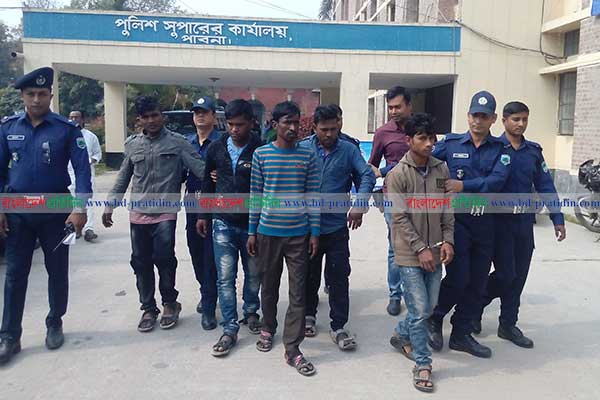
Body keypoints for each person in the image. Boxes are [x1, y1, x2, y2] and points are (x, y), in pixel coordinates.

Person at [0, 67, 92, 365]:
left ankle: (55, 322)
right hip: (18, 212)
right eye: (31, 94)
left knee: (57, 270)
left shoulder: (66, 129)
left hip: (56, 211)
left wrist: (80, 209)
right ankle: (9, 335)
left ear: (51, 95)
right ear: (23, 96)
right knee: (15, 274)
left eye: (42, 94)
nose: (36, 99)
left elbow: (82, 171)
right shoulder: (8, 127)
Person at [102, 96, 205, 333]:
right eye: (146, 117)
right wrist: (110, 204)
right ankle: (148, 308)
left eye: (155, 115)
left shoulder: (178, 142)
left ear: (162, 116)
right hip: (138, 212)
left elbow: (200, 169)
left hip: (166, 212)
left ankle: (170, 303)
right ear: (139, 120)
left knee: (164, 257)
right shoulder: (132, 144)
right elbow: (124, 176)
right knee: (140, 261)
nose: (151, 120)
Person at [475, 101, 566, 348]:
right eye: (516, 119)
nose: (521, 124)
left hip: (524, 223)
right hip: (498, 223)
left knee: (519, 277)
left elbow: (545, 184)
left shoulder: (532, 152)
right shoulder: (492, 148)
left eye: (524, 119)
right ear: (504, 120)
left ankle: (508, 324)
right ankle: (475, 306)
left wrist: (557, 217)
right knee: (506, 274)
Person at [427, 91, 511, 358]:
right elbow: (425, 161)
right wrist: (442, 187)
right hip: (457, 223)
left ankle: (461, 334)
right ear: (468, 116)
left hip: (485, 223)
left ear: (493, 119)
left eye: (484, 116)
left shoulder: (501, 150)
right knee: (458, 277)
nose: (478, 120)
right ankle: (434, 318)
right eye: (475, 115)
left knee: (477, 282)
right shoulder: (451, 144)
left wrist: (462, 186)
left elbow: (496, 182)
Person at [247, 101, 320, 376]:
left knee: (298, 292)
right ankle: (268, 327)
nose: (293, 127)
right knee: (268, 286)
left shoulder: (308, 155)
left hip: (298, 234)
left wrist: (314, 232)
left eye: (296, 122)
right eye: (287, 122)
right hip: (268, 233)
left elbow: (313, 196)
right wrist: (252, 231)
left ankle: (292, 348)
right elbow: (256, 195)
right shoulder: (261, 155)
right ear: (275, 124)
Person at [386, 113, 454, 393]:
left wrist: (448, 241)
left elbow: (447, 208)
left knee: (428, 307)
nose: (428, 144)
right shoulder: (397, 175)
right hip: (409, 254)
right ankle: (423, 364)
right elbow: (399, 217)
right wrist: (420, 248)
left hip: (436, 250)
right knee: (420, 310)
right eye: (422, 138)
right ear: (408, 140)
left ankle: (401, 334)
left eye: (431, 138)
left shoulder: (441, 169)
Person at [299, 105, 375, 350]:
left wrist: (359, 204)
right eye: (324, 129)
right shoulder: (302, 149)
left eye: (333, 128)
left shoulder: (348, 149)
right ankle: (308, 315)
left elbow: (367, 176)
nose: (329, 134)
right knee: (308, 274)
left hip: (336, 227)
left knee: (339, 276)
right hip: (307, 226)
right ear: (314, 127)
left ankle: (339, 326)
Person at [197, 99, 264, 356]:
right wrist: (203, 215)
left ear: (251, 123)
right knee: (225, 277)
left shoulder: (261, 148)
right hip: (222, 221)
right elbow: (207, 182)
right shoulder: (216, 147)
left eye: (240, 125)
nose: (234, 129)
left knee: (254, 273)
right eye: (230, 124)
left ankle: (251, 311)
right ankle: (230, 327)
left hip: (252, 224)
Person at [368, 86, 412, 316]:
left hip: (421, 198)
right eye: (390, 107)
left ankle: (416, 293)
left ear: (409, 106)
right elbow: (372, 167)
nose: (393, 111)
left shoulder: (421, 128)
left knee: (421, 244)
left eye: (398, 107)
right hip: (392, 197)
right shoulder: (382, 133)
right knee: (396, 248)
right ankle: (395, 295)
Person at [183, 96, 220, 329]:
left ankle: (209, 303)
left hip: (216, 204)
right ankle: (205, 289)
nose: (200, 116)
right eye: (197, 112)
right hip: (192, 202)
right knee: (195, 250)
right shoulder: (186, 143)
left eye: (204, 112)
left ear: (214, 116)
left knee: (210, 255)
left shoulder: (223, 142)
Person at [68, 110, 102, 242]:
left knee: (88, 202)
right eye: (71, 117)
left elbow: (97, 154)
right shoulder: (65, 135)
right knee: (73, 202)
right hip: (69, 174)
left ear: (82, 119)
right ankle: (76, 229)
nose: (73, 120)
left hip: (86, 175)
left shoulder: (91, 136)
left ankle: (89, 229)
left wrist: (89, 161)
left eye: (76, 117)